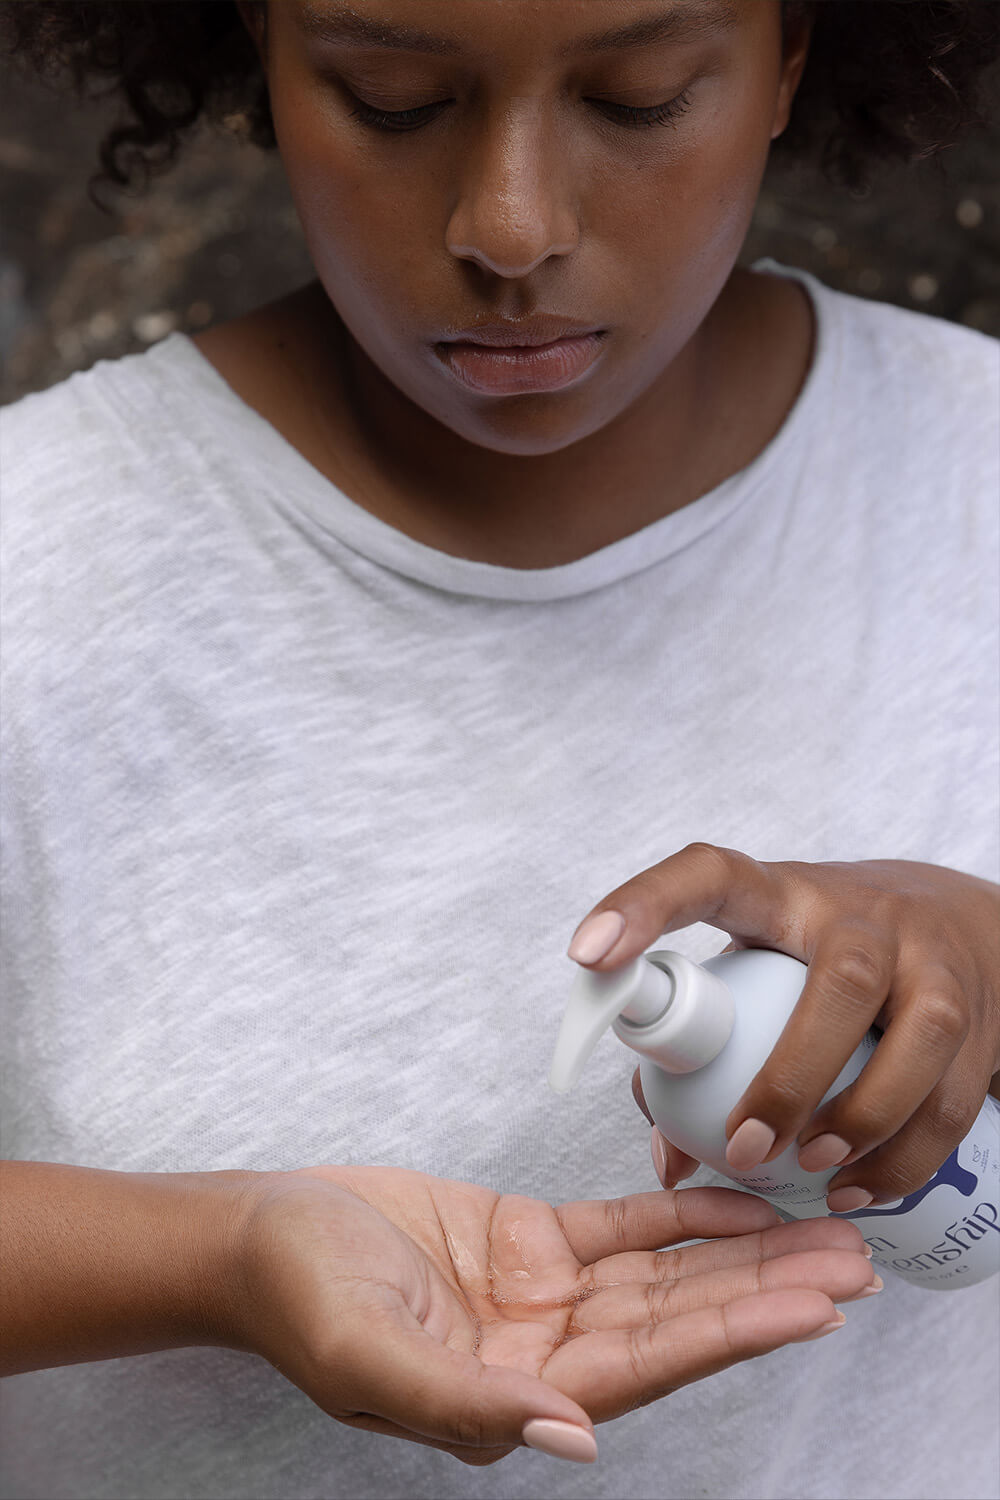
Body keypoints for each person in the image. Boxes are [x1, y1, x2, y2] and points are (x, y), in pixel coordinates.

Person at [1, 1, 998, 1496]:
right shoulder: (37, 569)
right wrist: (215, 1255)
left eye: (640, 94)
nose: (510, 225)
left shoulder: (971, 476)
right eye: (393, 100)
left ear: (791, 55)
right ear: (256, 61)